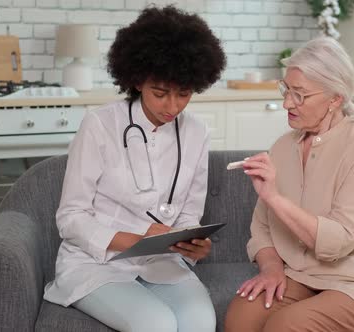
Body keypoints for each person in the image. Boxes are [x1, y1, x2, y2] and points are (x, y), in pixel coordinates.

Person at [43, 6, 225, 332]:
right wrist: (135, 239)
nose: (172, 107)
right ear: (138, 80)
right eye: (160, 93)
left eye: (183, 94)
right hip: (95, 263)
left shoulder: (197, 134)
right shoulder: (99, 125)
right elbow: (70, 217)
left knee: (201, 322)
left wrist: (194, 243)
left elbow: (187, 218)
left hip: (162, 262)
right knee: (156, 324)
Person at [224, 37, 354, 332]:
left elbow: (338, 242)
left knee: (287, 326)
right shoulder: (283, 148)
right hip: (301, 275)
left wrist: (275, 197)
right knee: (240, 317)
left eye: (300, 95)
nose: (287, 103)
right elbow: (261, 227)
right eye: (286, 90)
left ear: (335, 98)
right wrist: (271, 269)